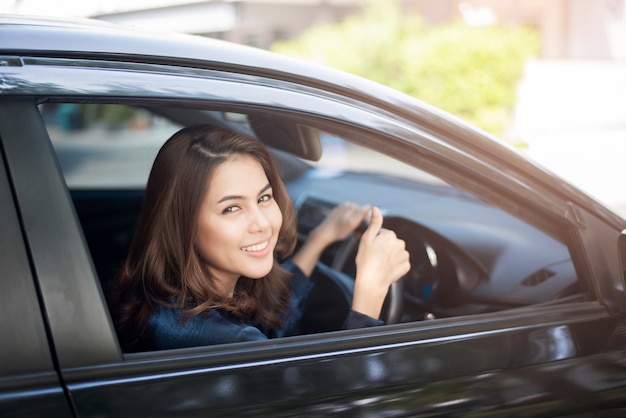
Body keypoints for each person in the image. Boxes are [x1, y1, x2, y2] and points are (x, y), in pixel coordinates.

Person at [108, 125, 410, 351]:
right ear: (183, 224)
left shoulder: (169, 299)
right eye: (231, 208)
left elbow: (275, 321)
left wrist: (319, 239)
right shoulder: (229, 342)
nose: (262, 223)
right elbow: (344, 401)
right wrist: (370, 291)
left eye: (264, 198)